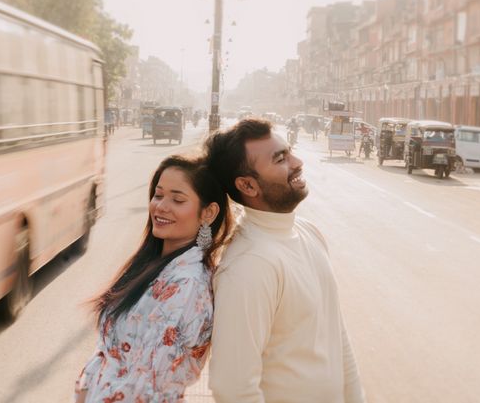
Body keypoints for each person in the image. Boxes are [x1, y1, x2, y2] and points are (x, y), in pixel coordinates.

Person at [203, 119, 365, 402]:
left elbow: (336, 337)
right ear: (248, 185)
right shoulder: (249, 265)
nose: (298, 162)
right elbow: (233, 388)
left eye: (289, 151)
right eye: (280, 158)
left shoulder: (308, 232)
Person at [74, 155, 234, 402]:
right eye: (158, 195)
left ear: (208, 213)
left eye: (177, 199)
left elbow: (141, 387)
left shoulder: (186, 285)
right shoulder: (160, 264)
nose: (160, 206)